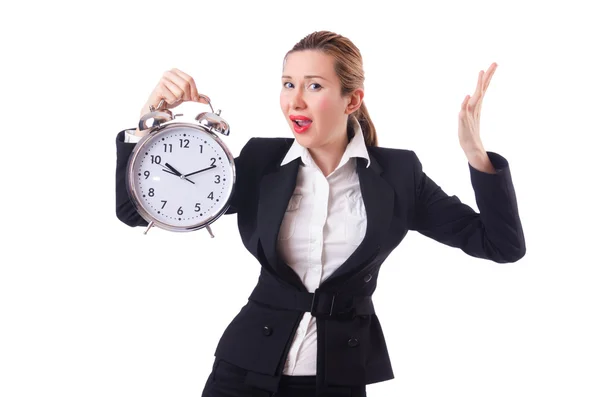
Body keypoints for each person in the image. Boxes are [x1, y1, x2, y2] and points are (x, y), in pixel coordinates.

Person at [115, 30, 526, 397]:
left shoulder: (400, 175)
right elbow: (136, 212)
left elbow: (501, 245)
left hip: (337, 377)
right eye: (287, 84)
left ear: (353, 99)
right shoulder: (262, 161)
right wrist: (145, 128)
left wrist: (477, 155)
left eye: (313, 85)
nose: (295, 99)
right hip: (243, 371)